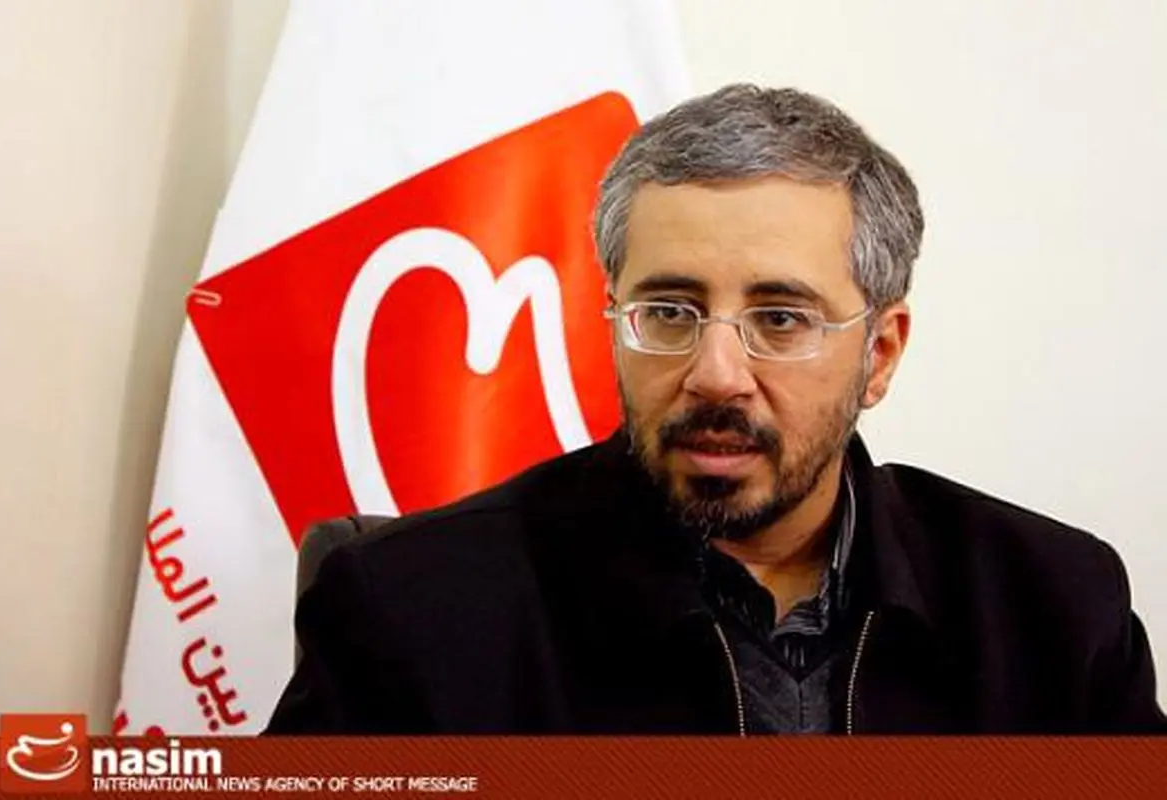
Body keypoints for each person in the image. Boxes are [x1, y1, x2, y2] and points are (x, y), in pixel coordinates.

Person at [264, 84, 1166, 734]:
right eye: (669, 311)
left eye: (780, 318)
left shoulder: (1052, 603)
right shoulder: (410, 609)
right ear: (615, 318)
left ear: (880, 353)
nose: (716, 374)